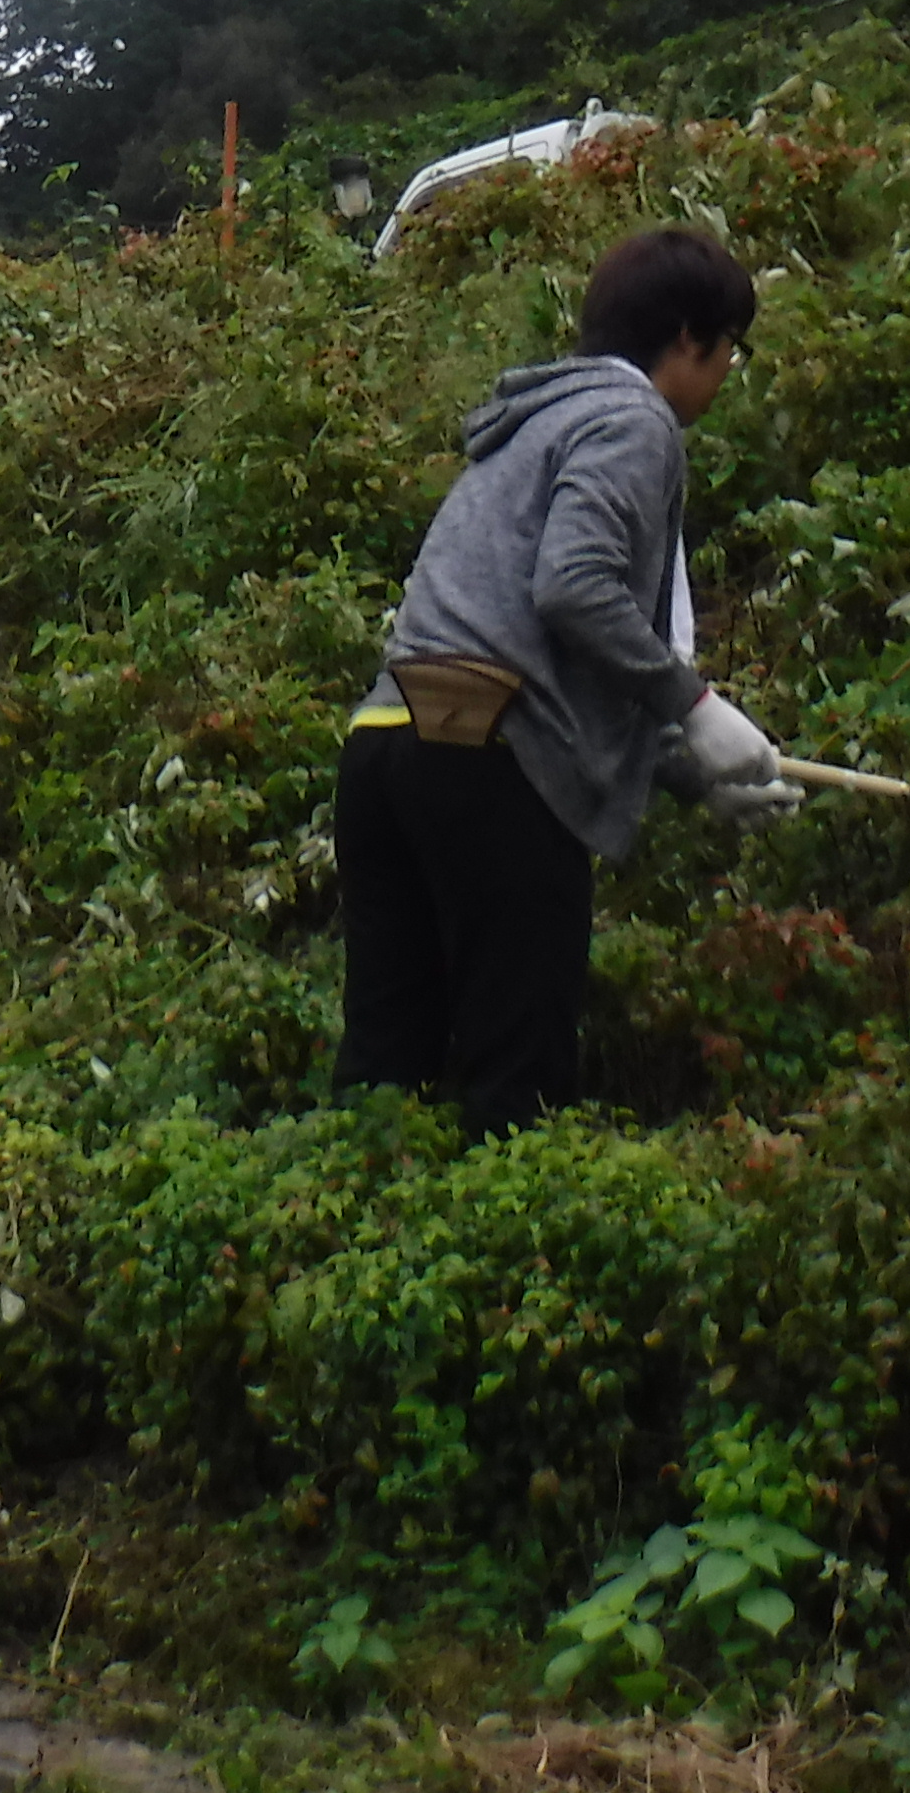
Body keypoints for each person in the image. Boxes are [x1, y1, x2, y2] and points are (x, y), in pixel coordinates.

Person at [334, 225, 799, 1135]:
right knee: (519, 1081)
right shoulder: (633, 421)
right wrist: (695, 705)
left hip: (387, 746)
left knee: (386, 1072)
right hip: (489, 764)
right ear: (687, 338)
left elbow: (533, 640)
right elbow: (574, 589)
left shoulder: (530, 423)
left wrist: (692, 773)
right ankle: (514, 1228)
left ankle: (342, 1215)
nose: (727, 373)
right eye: (729, 349)